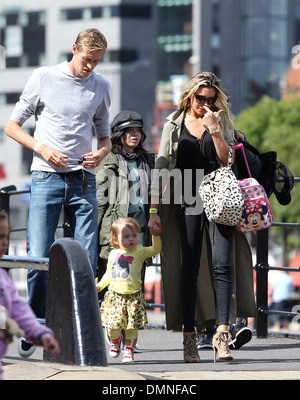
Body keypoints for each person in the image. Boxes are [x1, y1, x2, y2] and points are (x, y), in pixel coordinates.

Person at [4, 28, 112, 344]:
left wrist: (101, 152)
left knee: (86, 260)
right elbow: (12, 126)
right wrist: (41, 148)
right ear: (74, 48)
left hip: (84, 181)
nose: (90, 66)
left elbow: (104, 136)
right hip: (45, 177)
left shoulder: (101, 85)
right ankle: (35, 325)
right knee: (38, 256)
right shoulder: (43, 77)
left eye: (96, 61)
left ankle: (81, 328)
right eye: (87, 59)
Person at [149, 72, 256, 363]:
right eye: (200, 98)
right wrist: (154, 210)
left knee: (223, 265)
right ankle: (189, 338)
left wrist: (216, 130)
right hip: (187, 197)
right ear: (190, 96)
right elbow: (161, 168)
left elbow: (227, 161)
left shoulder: (222, 122)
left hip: (221, 197)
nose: (205, 104)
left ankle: (222, 337)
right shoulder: (174, 123)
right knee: (189, 268)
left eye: (211, 99)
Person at [96, 110, 154, 291]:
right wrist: (93, 233)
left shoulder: (147, 160)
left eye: (137, 130)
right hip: (117, 227)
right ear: (119, 135)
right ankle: (112, 319)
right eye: (129, 131)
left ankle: (135, 319)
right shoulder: (108, 159)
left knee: (136, 280)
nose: (134, 135)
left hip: (141, 228)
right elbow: (100, 199)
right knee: (115, 282)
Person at [0, 211, 60, 380]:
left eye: (5, 237)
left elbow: (20, 310)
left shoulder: (4, 280)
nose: (4, 243)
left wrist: (38, 333)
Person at [96, 217, 161, 363]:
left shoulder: (139, 251)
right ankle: (115, 340)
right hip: (115, 297)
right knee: (113, 327)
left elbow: (156, 249)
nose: (131, 239)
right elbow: (109, 274)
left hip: (133, 297)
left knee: (132, 328)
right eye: (126, 236)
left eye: (134, 235)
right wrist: (100, 285)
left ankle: (129, 350)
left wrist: (155, 235)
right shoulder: (113, 254)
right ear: (115, 239)